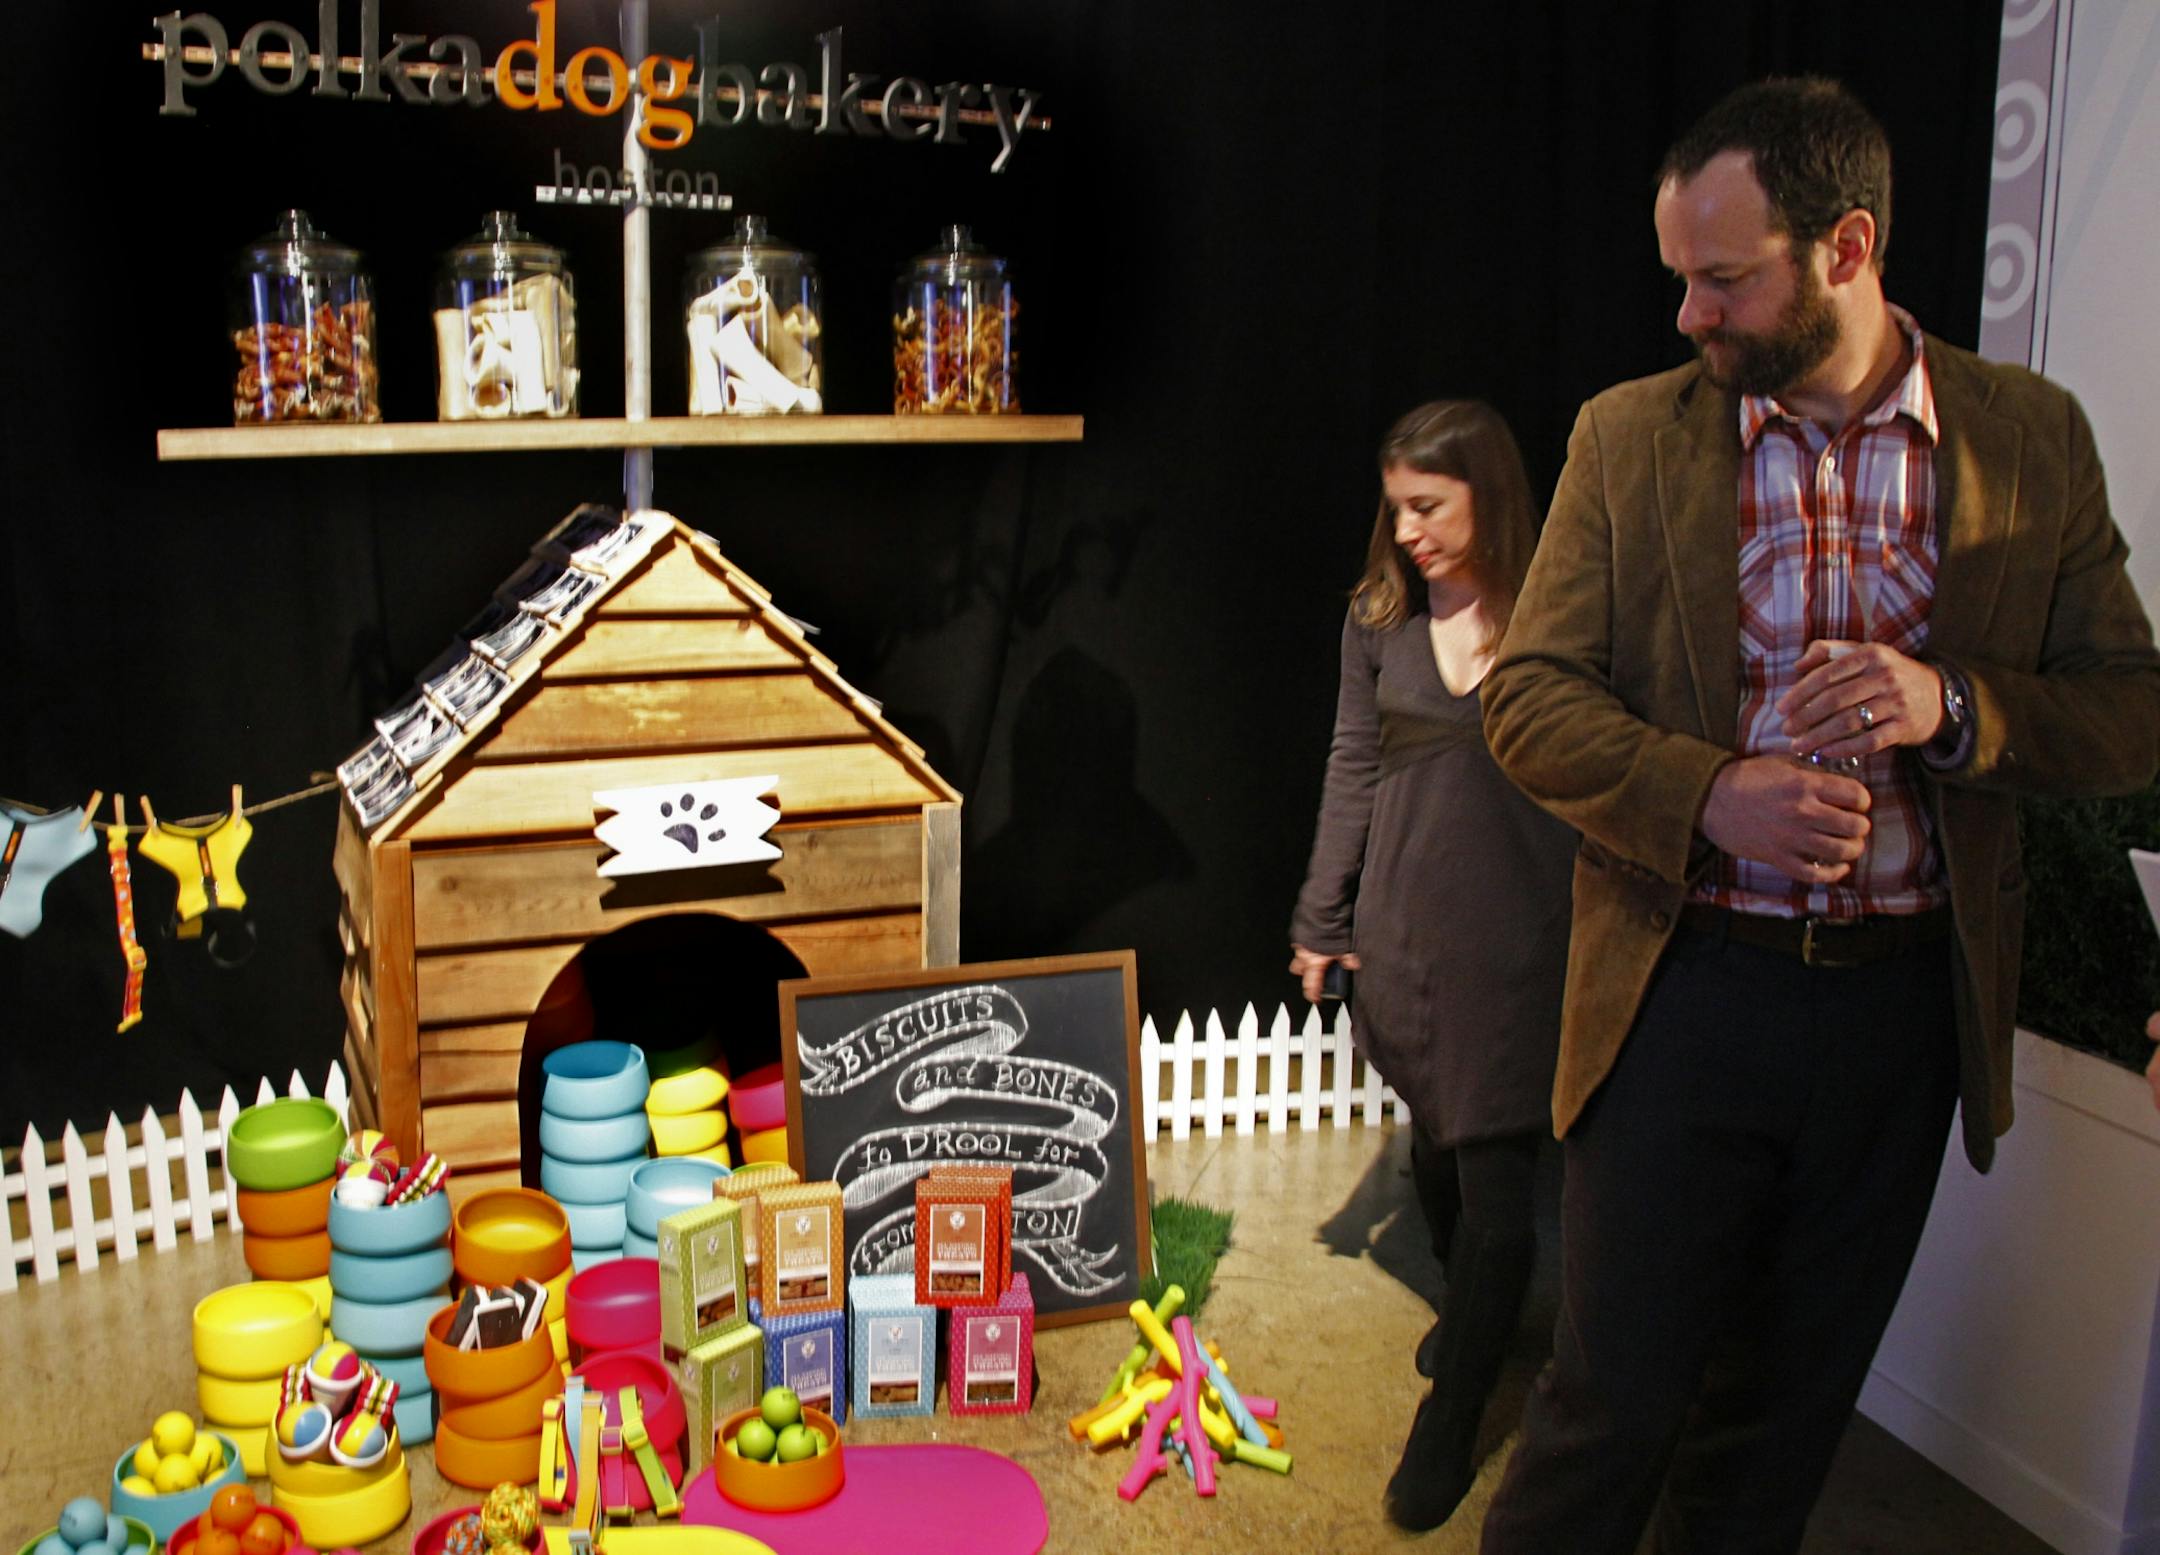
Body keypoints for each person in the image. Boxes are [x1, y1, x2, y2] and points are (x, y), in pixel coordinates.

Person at [1477, 78, 2160, 1553]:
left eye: (1722, 279)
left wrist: (1951, 705)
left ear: (1847, 246)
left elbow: (2129, 708)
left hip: (1899, 1028)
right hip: (1681, 996)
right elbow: (1524, 700)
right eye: (1680, 278)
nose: (1687, 315)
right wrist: (1712, 792)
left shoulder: (2031, 439)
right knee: (1604, 1417)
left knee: (1780, 1430)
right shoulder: (1626, 437)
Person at [1289, 399, 1575, 1532]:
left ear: (1486, 493)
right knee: (1443, 1143)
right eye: (1395, 505)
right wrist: (1323, 915)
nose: (1405, 528)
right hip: (1409, 934)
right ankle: (1472, 1314)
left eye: (1429, 506)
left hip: (1527, 942)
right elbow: (1351, 765)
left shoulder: (1562, 609)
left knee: (1501, 1174)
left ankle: (1452, 1419)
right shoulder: (1380, 616)